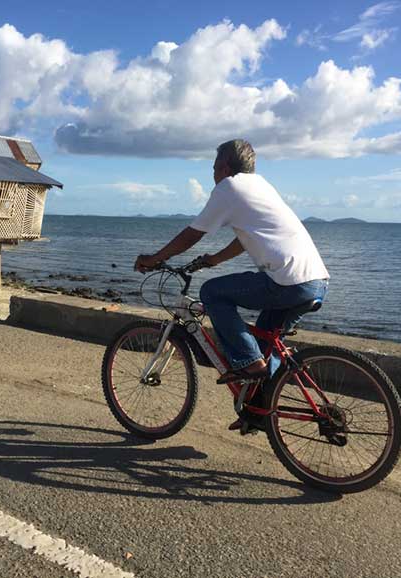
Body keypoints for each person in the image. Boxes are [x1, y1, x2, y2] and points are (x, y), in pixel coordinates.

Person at [134, 139, 329, 426]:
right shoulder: (261, 186)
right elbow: (244, 237)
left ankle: (247, 363)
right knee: (268, 340)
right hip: (315, 280)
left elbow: (192, 234)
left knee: (212, 291)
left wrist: (155, 258)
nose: (212, 174)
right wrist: (215, 259)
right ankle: (260, 411)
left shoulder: (228, 187)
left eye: (214, 168)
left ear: (223, 167)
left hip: (285, 281)